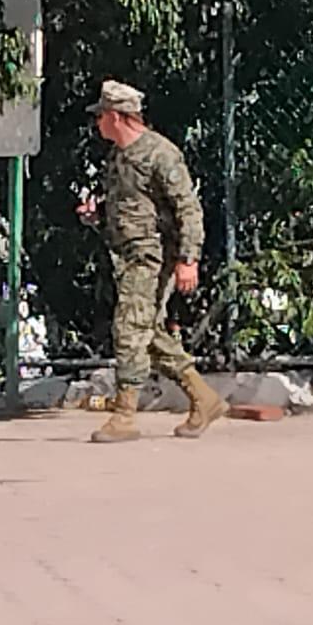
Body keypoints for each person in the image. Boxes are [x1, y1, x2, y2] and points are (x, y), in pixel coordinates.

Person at [78, 80, 225, 443]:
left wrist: (188, 259)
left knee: (129, 329)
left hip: (152, 257)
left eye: (101, 117)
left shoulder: (161, 153)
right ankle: (203, 398)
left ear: (116, 116)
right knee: (149, 334)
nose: (98, 124)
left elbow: (188, 210)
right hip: (127, 256)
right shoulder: (119, 156)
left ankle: (125, 415)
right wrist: (98, 216)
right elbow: (132, 205)